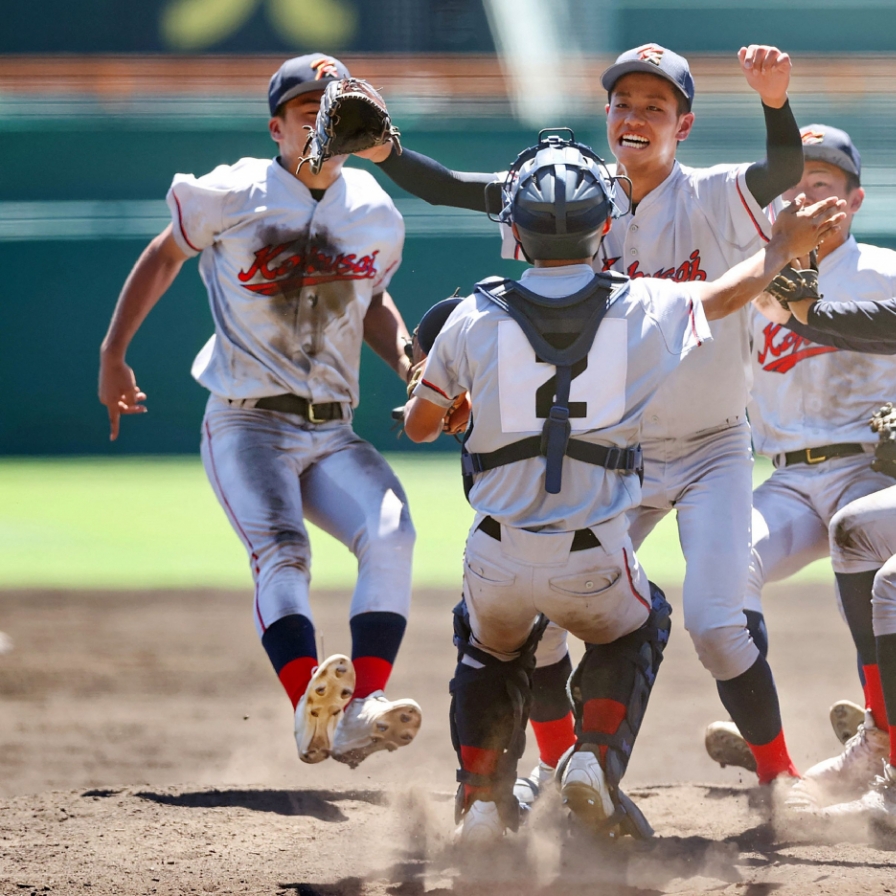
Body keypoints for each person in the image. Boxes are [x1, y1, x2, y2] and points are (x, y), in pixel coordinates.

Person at [365, 43, 806, 790]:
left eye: (654, 108)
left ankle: (780, 777)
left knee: (717, 625)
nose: (634, 117)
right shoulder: (566, 193)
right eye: (622, 103)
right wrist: (384, 149)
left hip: (710, 449)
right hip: (614, 454)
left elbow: (782, 174)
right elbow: (445, 188)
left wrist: (774, 102)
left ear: (684, 125)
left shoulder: (713, 194)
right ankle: (562, 769)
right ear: (605, 113)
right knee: (538, 619)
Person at [98, 54, 421, 771]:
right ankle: (309, 704)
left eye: (336, 106)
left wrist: (409, 362)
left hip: (332, 426)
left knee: (394, 532)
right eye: (307, 109)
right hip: (245, 423)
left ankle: (359, 707)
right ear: (276, 126)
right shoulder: (232, 192)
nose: (322, 119)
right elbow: (163, 254)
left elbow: (372, 306)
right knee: (284, 554)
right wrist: (114, 350)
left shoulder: (375, 210)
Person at [705, 126, 896, 795]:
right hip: (787, 476)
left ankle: (880, 736)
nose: (805, 192)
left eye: (822, 182)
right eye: (795, 182)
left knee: (876, 567)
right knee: (727, 571)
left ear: (855, 199)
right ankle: (773, 761)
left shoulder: (885, 270)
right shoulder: (752, 276)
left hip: (869, 468)